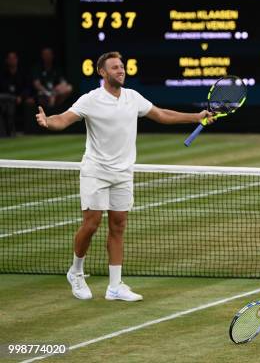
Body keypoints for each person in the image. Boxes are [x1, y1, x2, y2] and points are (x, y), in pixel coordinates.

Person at [35, 51, 214, 301]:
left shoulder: (133, 97)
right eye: (115, 67)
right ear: (102, 72)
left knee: (118, 225)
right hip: (96, 171)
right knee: (92, 223)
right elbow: (63, 120)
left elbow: (161, 114)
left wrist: (196, 117)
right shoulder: (91, 99)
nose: (121, 70)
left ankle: (115, 286)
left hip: (123, 172)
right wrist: (47, 121)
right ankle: (76, 272)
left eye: (122, 67)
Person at [0, 51, 33, 136]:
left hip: (21, 99)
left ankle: (25, 130)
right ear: (7, 60)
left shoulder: (23, 73)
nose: (12, 60)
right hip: (6, 101)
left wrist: (21, 97)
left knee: (29, 102)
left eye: (13, 58)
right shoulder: (3, 74)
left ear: (17, 60)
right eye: (10, 59)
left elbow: (28, 87)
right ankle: (6, 132)